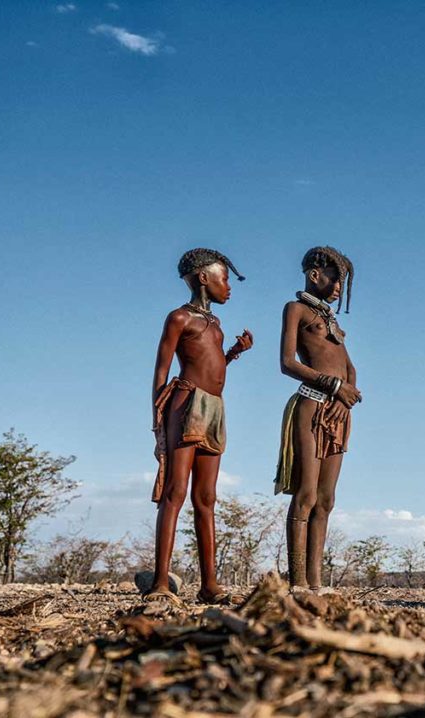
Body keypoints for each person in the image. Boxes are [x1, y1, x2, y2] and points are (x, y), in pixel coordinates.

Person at [148, 248, 253, 604]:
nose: (229, 287)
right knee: (176, 491)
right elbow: (162, 370)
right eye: (224, 279)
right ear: (204, 279)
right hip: (186, 402)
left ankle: (209, 586)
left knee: (206, 497)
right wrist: (158, 419)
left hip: (214, 407)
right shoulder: (179, 318)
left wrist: (233, 353)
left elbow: (212, 366)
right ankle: (161, 581)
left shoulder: (216, 324)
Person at [275, 246, 361, 592]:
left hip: (339, 413)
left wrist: (346, 397)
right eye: (335, 278)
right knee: (306, 495)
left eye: (343, 281)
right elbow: (287, 363)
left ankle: (316, 582)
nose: (339, 286)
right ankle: (297, 582)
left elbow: (350, 367)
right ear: (314, 274)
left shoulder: (332, 321)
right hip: (311, 406)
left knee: (327, 499)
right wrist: (334, 386)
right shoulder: (295, 309)